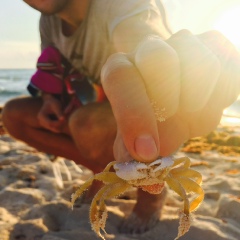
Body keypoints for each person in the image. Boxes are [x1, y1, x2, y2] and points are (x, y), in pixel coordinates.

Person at [2, 0, 240, 234]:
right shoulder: (48, 21)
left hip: (136, 116)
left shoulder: (121, 4)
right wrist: (48, 100)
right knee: (13, 115)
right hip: (90, 105)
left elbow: (140, 34)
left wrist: (156, 59)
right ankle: (101, 171)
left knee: (85, 124)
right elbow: (51, 70)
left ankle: (151, 196)